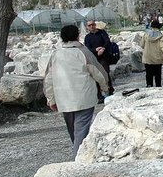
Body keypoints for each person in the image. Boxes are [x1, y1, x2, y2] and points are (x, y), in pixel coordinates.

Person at [44, 24, 109, 159]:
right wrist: (105, 87)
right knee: (81, 129)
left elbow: (48, 79)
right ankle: (78, 157)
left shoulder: (56, 54)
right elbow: (98, 72)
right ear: (77, 35)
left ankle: (78, 153)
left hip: (64, 98)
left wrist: (51, 98)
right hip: (84, 98)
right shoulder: (84, 52)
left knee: (72, 130)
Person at [83, 20, 114, 96]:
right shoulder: (87, 37)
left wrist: (102, 48)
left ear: (95, 25)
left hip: (104, 57)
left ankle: (110, 91)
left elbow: (107, 42)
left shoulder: (102, 33)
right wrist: (96, 50)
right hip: (94, 58)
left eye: (92, 25)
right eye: (89, 25)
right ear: (87, 27)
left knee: (105, 74)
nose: (91, 26)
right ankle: (99, 94)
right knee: (95, 75)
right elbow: (87, 48)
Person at [140, 19, 163, 87]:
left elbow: (142, 45)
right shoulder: (160, 36)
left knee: (148, 74)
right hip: (157, 58)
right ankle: (158, 87)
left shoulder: (146, 35)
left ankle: (149, 86)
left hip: (147, 58)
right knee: (157, 75)